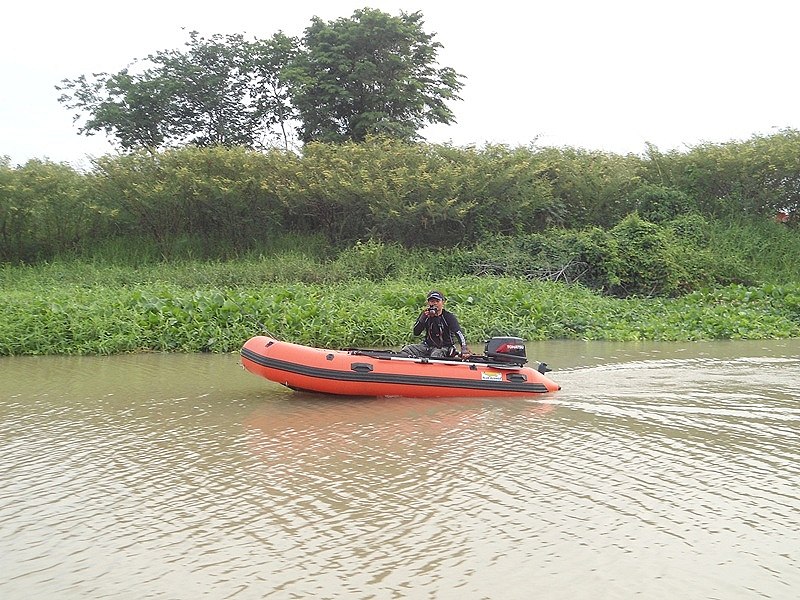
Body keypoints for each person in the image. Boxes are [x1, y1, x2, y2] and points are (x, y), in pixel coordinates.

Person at [401, 290, 471, 359]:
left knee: (436, 354)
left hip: (445, 347)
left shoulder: (448, 316)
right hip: (427, 346)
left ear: (443, 302)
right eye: (432, 301)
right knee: (407, 349)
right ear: (428, 303)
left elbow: (458, 332)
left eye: (437, 301)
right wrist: (422, 319)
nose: (435, 304)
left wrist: (464, 348)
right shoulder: (425, 315)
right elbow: (416, 333)